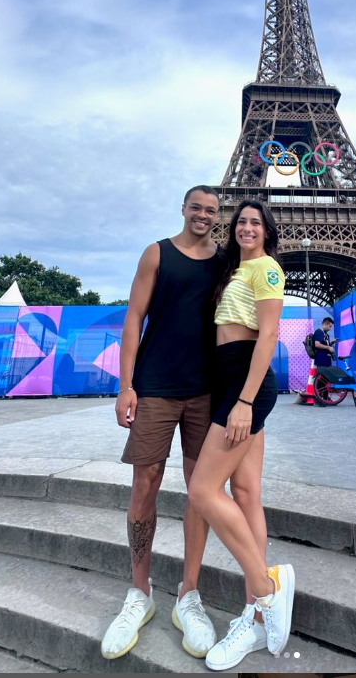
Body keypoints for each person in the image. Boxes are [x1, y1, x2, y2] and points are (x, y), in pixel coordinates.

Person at [101, 185, 224, 661]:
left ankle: (188, 594)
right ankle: (140, 593)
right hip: (154, 386)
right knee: (145, 483)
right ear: (183, 209)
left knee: (201, 490)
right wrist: (125, 384)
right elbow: (133, 319)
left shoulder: (225, 262)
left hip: (206, 389)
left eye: (211, 210)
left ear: (218, 216)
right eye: (196, 207)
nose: (203, 215)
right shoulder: (156, 254)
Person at [187, 199, 295, 671]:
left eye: (256, 222)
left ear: (267, 232)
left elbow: (268, 335)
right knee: (246, 492)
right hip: (231, 378)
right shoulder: (238, 270)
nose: (247, 227)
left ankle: (266, 590)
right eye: (242, 222)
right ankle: (253, 613)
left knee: (203, 490)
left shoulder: (267, 269)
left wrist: (245, 402)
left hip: (245, 386)